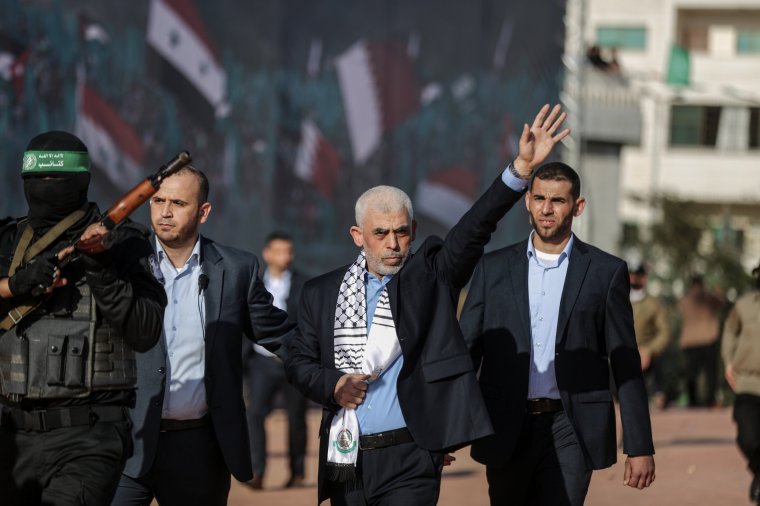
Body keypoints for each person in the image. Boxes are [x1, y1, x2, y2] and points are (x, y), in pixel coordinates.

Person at [285, 104, 569, 505]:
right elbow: (298, 361)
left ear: (415, 231)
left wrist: (520, 169)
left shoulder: (432, 277)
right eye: (380, 232)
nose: (393, 243)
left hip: (412, 458)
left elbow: (475, 228)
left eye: (402, 232)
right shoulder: (321, 293)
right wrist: (332, 384)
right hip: (346, 456)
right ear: (357, 235)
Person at [459, 162, 656, 506]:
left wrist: (639, 446)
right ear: (527, 202)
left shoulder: (606, 272)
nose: (546, 209)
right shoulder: (493, 268)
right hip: (506, 424)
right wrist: (448, 431)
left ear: (577, 206)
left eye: (558, 201)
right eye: (539, 198)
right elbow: (466, 352)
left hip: (572, 427)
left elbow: (625, 362)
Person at [111, 166, 295, 505]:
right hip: (124, 444)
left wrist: (335, 371)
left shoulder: (237, 268)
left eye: (178, 202)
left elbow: (280, 336)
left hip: (198, 448)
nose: (164, 212)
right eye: (157, 200)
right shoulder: (122, 264)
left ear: (203, 212)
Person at [0, 131, 166, 505]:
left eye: (56, 180)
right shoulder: (8, 243)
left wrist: (102, 271)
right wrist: (16, 284)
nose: (46, 188)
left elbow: (144, 331)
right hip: (11, 437)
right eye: (37, 180)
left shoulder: (126, 243)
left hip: (89, 436)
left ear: (82, 182)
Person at [243, 231, 309, 489]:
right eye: (280, 251)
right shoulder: (255, 282)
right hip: (261, 361)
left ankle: (297, 472)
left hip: (293, 362)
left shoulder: (304, 283)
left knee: (296, 417)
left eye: (289, 251)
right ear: (267, 253)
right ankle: (257, 471)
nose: (286, 256)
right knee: (255, 414)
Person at [721, 260, 760, 505]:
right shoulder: (744, 306)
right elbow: (730, 330)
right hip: (748, 383)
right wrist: (728, 361)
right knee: (748, 438)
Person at [678, 275, 723, 407]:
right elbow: (721, 303)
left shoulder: (685, 299)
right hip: (709, 338)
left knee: (691, 373)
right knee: (711, 372)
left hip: (690, 341)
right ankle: (710, 400)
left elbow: (680, 308)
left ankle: (693, 401)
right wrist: (718, 292)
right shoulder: (708, 297)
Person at [629, 263, 670, 405]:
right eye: (631, 275)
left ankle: (658, 394)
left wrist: (649, 350)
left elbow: (664, 333)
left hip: (647, 354)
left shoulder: (653, 304)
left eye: (637, 276)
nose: (633, 279)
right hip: (623, 352)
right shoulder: (618, 300)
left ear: (644, 278)